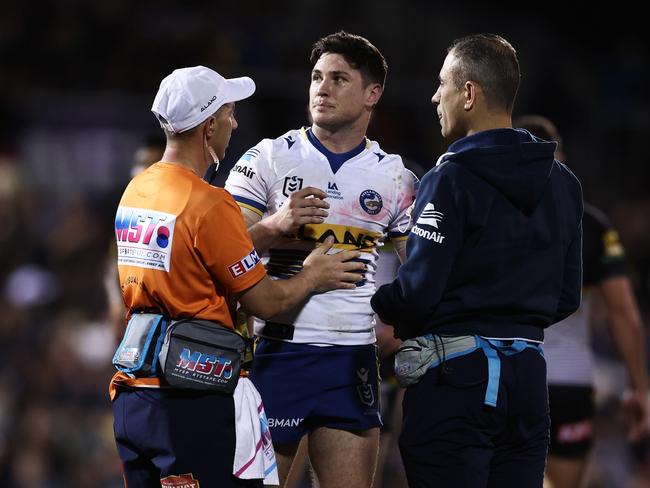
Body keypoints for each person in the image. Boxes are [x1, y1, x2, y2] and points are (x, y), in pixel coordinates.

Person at [109, 65, 365, 488]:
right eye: (229, 113)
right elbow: (264, 302)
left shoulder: (137, 190)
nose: (235, 122)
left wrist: (269, 228)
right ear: (209, 126)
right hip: (190, 397)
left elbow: (195, 254)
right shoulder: (211, 204)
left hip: (135, 393)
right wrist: (313, 276)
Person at [371, 34, 584, 488]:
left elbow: (416, 294)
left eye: (442, 83)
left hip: (458, 382)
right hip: (528, 378)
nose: (434, 96)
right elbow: (567, 295)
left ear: (469, 93)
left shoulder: (450, 177)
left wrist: (373, 300)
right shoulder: (564, 183)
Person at [225, 31, 418, 487]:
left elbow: (420, 273)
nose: (322, 88)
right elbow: (221, 256)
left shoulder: (396, 178)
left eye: (338, 79)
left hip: (352, 363)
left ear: (373, 94)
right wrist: (275, 226)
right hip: (275, 356)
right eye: (316, 77)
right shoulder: (268, 158)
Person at [514, 114, 650, 488]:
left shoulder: (494, 217)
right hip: (568, 383)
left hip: (507, 377)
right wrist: (639, 388)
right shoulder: (591, 225)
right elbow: (624, 312)